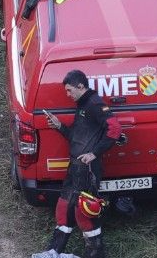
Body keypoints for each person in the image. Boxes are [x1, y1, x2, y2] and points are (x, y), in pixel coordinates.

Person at [34, 70, 120, 258]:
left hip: (88, 168)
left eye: (69, 90)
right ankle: (54, 251)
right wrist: (59, 126)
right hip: (75, 166)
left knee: (85, 210)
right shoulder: (82, 105)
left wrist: (94, 154)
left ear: (81, 86)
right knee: (64, 206)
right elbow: (76, 137)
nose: (67, 95)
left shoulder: (95, 103)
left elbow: (115, 129)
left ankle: (96, 253)